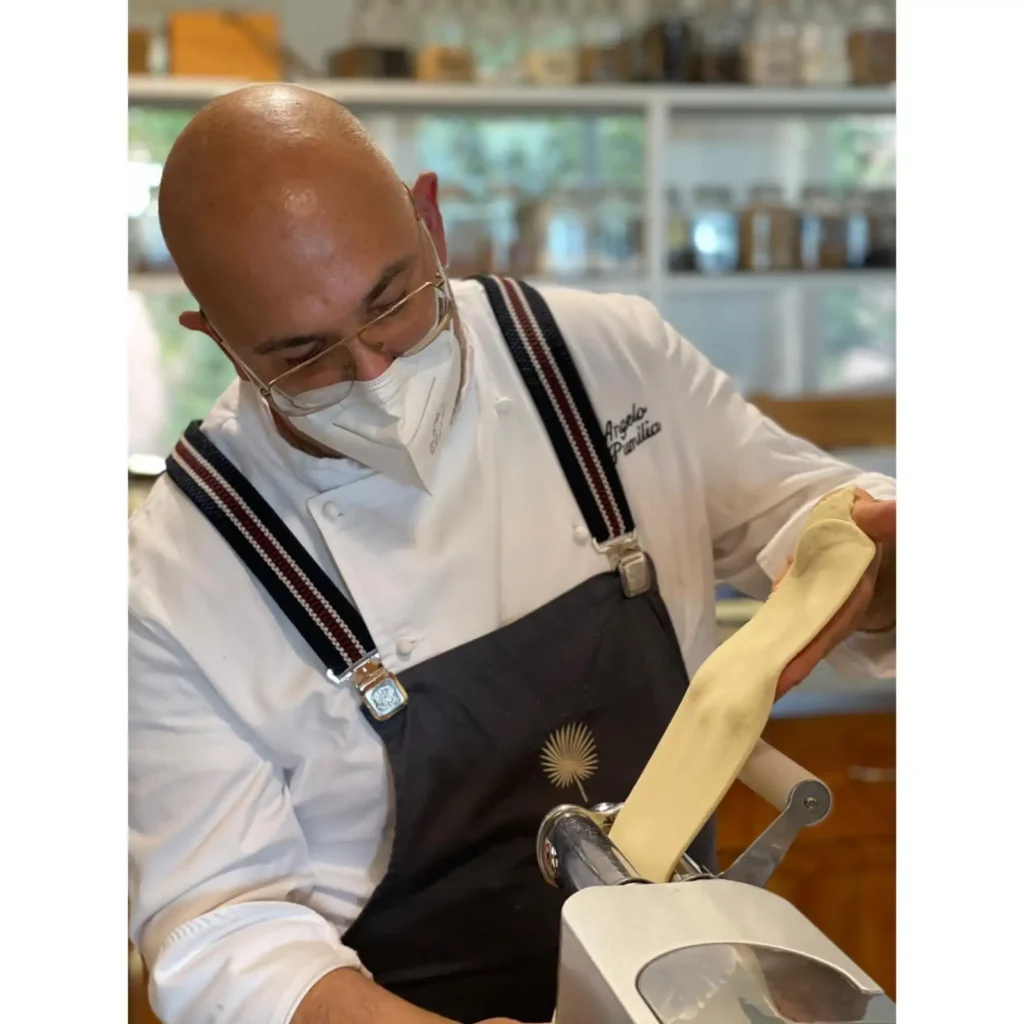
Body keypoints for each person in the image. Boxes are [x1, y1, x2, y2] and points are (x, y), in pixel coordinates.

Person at [128, 84, 896, 1024]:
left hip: (683, 984)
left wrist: (882, 566)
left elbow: (803, 515)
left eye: (393, 302)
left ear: (431, 220)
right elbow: (221, 928)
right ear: (217, 339)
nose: (376, 377)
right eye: (305, 356)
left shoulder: (604, 355)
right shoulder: (176, 577)